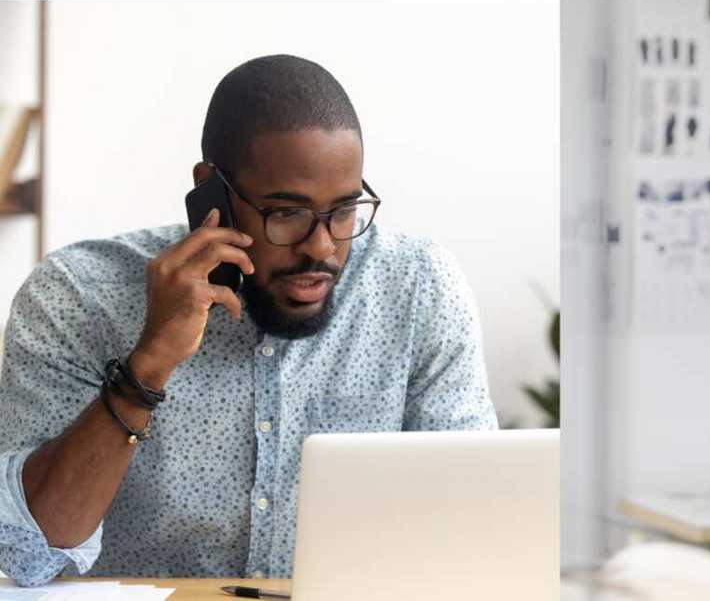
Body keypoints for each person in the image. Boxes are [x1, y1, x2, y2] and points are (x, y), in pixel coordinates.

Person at [0, 55, 497, 586]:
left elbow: (478, 526)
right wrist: (147, 367)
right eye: (287, 213)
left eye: (344, 210)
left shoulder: (418, 289)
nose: (322, 247)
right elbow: (30, 556)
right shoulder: (79, 296)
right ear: (210, 189)